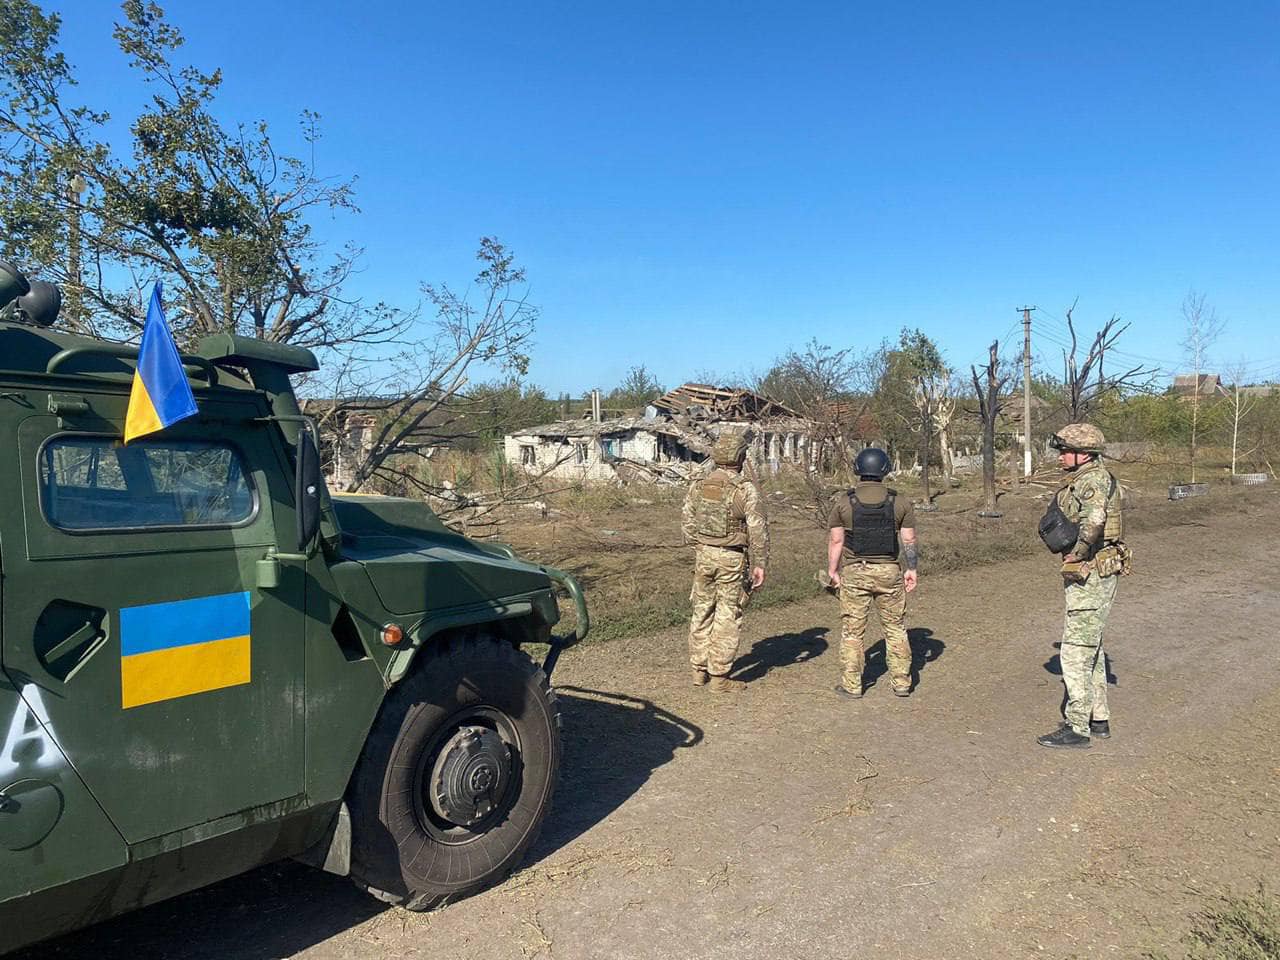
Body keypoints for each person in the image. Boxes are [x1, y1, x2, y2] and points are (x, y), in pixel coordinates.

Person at [1037, 422, 1129, 749]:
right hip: (1098, 567)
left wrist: (1075, 556)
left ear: (1083, 454)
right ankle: (1098, 718)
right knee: (1092, 648)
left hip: (1091, 570)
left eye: (1065, 451)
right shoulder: (1090, 477)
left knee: (1075, 651)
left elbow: (1094, 521)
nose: (1061, 456)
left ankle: (1077, 727)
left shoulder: (1093, 480)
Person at [825, 447, 918, 699]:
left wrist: (833, 571)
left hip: (855, 572)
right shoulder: (899, 501)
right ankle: (901, 682)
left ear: (858, 469)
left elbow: (836, 541)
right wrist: (912, 569)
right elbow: (908, 539)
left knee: (852, 631)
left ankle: (852, 685)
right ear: (885, 470)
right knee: (896, 627)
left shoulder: (845, 502)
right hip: (889, 571)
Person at [681, 430, 769, 692]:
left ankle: (698, 670)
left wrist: (700, 547)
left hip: (704, 555)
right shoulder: (744, 489)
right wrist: (760, 563)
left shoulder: (699, 484)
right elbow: (757, 530)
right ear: (741, 456)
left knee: (702, 609)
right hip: (732, 558)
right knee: (728, 613)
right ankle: (719, 677)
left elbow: (687, 521)